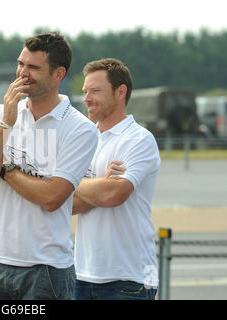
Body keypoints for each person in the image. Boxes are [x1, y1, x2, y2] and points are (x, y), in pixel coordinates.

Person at [0, 32, 98, 300]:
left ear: (58, 74)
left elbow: (51, 197)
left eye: (33, 67)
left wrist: (3, 167)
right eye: (21, 64)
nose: (22, 73)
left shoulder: (80, 128)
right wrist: (6, 123)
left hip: (47, 269)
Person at [72, 58, 161, 300]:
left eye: (96, 91)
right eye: (85, 91)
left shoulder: (139, 139)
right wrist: (98, 184)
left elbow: (113, 195)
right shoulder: (86, 140)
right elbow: (62, 204)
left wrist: (71, 181)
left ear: (121, 92)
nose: (87, 98)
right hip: (81, 275)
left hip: (128, 279)